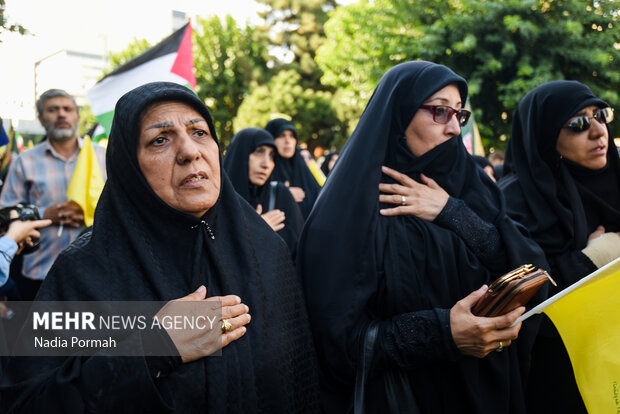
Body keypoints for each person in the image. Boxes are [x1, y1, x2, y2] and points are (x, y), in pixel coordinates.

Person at [0, 82, 319, 413]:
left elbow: (301, 381)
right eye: (160, 140)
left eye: (199, 132)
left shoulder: (265, 249)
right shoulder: (85, 270)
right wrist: (153, 347)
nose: (189, 152)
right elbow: (27, 403)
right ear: (129, 166)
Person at [298, 61, 549, 414]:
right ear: (399, 115)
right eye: (440, 111)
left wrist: (452, 213)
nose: (453, 128)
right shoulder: (351, 212)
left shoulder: (474, 190)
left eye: (459, 116)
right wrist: (444, 333)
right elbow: (337, 345)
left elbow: (528, 270)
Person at [499, 80, 619, 413]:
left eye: (600, 115)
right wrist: (593, 258)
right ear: (546, 138)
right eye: (578, 124)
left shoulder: (616, 175)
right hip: (561, 371)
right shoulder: (516, 201)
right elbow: (519, 295)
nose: (597, 132)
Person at [0, 89, 106, 300]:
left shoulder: (103, 156)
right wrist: (44, 214)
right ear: (41, 118)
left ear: (77, 116)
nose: (61, 115)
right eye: (53, 110)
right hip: (41, 273)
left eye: (67, 109)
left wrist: (90, 215)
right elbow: (5, 213)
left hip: (97, 271)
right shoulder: (25, 161)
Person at [223, 127, 304, 254]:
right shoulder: (213, 202)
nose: (266, 164)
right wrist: (254, 231)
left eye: (272, 156)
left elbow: (295, 255)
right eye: (259, 152)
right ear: (241, 154)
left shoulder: (279, 197)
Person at [265, 118, 321, 218]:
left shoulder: (302, 164)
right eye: (281, 135)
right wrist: (281, 194)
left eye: (292, 136)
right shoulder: (263, 168)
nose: (288, 141)